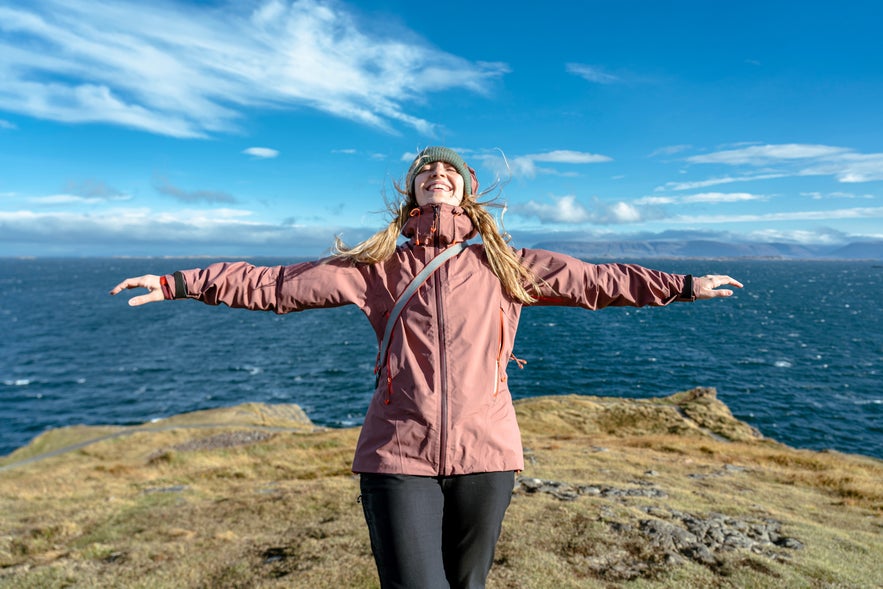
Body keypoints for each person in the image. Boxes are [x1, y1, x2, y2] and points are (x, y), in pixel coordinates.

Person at [110, 146, 742, 589]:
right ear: (410, 191)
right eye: (425, 170)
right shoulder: (375, 266)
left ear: (466, 188)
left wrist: (681, 286)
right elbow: (275, 284)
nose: (437, 173)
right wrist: (179, 282)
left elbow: (598, 280)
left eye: (448, 169)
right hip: (396, 454)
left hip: (488, 454)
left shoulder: (506, 264)